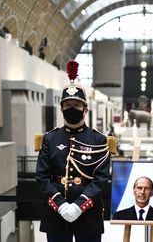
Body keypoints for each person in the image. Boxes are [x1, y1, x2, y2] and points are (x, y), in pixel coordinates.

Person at [36, 60, 110, 242]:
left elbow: (101, 179)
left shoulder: (98, 139)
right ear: (61, 108)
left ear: (85, 110)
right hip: (56, 214)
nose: (71, 109)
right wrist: (61, 205)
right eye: (67, 105)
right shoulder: (49, 139)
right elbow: (42, 177)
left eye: (76, 105)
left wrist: (78, 206)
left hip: (88, 214)